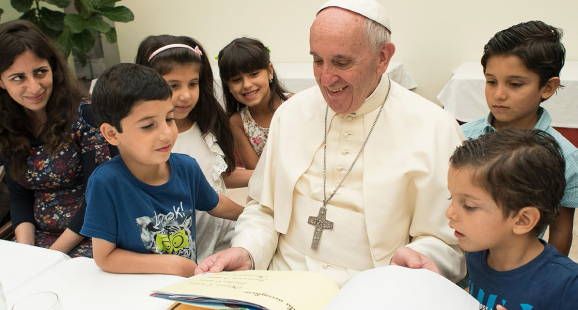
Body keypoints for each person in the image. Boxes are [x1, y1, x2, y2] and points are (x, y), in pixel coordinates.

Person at [196, 0, 465, 287]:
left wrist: (418, 258)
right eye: (317, 60)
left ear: (383, 58)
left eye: (342, 62)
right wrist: (247, 251)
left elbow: (447, 239)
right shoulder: (292, 113)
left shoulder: (434, 127)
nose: (325, 78)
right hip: (281, 282)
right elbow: (263, 209)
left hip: (376, 289)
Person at [80, 63, 243, 277]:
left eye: (169, 119)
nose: (166, 134)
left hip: (185, 284)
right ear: (111, 133)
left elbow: (215, 203)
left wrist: (259, 215)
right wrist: (172, 265)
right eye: (148, 126)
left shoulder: (186, 167)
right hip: (138, 290)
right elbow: (105, 257)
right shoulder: (106, 182)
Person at [0, 20, 113, 257]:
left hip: (94, 238)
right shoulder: (5, 124)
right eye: (18, 77)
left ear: (53, 67)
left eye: (40, 72)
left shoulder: (87, 116)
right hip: (38, 241)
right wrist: (27, 253)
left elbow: (99, 197)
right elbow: (20, 197)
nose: (34, 87)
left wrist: (50, 256)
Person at [461, 21, 578, 256]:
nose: (499, 94)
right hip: (456, 262)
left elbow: (560, 230)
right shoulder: (463, 136)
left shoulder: (565, 156)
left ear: (548, 87)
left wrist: (542, 279)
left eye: (515, 84)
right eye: (491, 82)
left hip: (515, 271)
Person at [134, 35, 250, 262]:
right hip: (182, 253)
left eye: (193, 84)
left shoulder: (207, 125)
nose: (185, 95)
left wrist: (262, 177)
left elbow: (218, 175)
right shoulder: (149, 144)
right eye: (173, 86)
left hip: (226, 240)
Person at [447, 127, 578, 309]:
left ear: (523, 220)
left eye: (469, 206)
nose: (449, 213)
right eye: (451, 198)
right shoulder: (477, 254)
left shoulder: (575, 286)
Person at [218, 37, 291, 170]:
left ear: (270, 71)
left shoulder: (293, 104)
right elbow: (255, 173)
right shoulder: (238, 123)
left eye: (254, 74)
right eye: (236, 79)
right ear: (227, 85)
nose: (247, 85)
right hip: (269, 189)